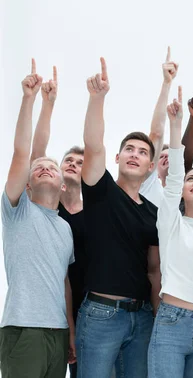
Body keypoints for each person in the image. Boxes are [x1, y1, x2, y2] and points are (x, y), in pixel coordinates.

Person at [76, 57, 160, 378]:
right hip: (100, 314)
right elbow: (93, 146)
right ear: (118, 156)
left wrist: (153, 316)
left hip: (140, 319)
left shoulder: (153, 213)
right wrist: (98, 99)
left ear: (150, 166)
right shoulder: (101, 190)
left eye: (142, 152)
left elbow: (154, 271)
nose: (135, 154)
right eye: (129, 149)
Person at [0, 60, 75, 378]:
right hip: (23, 329)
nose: (44, 165)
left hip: (57, 334)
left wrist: (69, 330)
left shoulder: (66, 227)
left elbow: (64, 283)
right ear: (27, 184)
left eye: (52, 166)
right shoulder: (18, 211)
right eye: (37, 166)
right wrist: (32, 100)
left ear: (63, 184)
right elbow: (24, 152)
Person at [148, 88, 193, 378]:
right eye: (192, 178)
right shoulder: (170, 219)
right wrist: (176, 126)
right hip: (171, 321)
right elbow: (175, 175)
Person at [27, 65, 85, 378]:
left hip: (88, 307)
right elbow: (36, 154)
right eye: (68, 161)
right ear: (59, 173)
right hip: (49, 310)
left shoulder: (97, 210)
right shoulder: (45, 207)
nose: (74, 165)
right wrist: (47, 104)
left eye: (81, 162)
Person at [139, 47, 179, 206]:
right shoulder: (148, 183)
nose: (166, 159)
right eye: (161, 156)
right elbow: (156, 133)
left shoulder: (187, 193)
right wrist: (167, 83)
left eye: (170, 156)